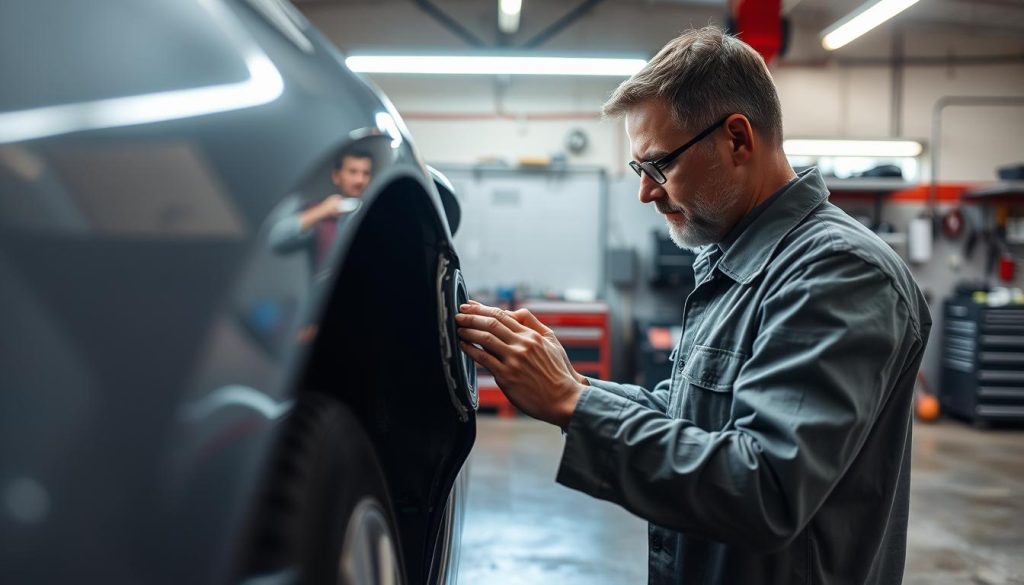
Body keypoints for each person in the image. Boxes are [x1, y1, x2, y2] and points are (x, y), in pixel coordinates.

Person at [455, 26, 931, 585]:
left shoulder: (838, 271)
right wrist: (575, 387)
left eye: (660, 165)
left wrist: (571, 404)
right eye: (640, 170)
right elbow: (691, 417)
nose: (646, 192)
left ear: (737, 139)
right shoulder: (738, 259)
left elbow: (766, 489)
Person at [270, 146, 373, 272]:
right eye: (353, 172)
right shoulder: (321, 215)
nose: (359, 180)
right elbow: (277, 239)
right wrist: (322, 211)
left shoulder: (376, 213)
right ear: (336, 176)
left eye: (365, 173)